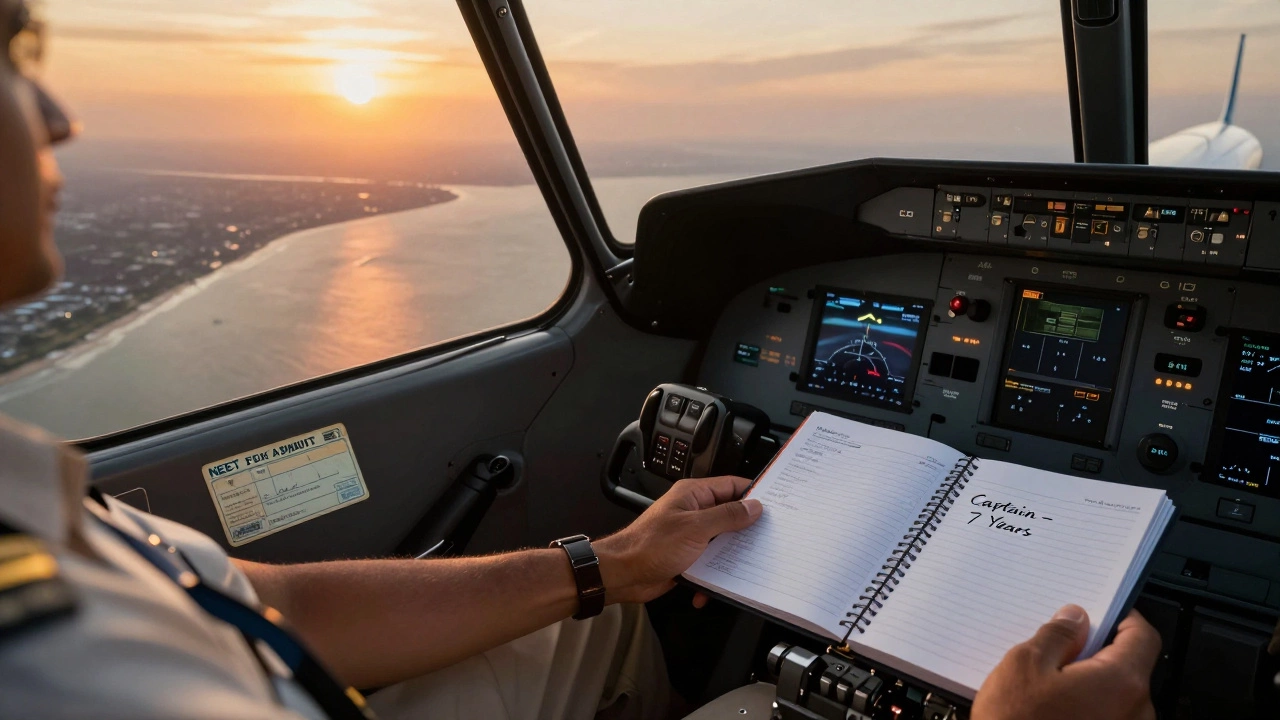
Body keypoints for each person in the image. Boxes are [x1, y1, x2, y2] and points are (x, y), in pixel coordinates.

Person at [0, 1, 1163, 718]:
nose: (59, 115)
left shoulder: (38, 517)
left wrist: (607, 561)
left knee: (598, 620)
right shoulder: (58, 664)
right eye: (14, 48)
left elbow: (267, 601)